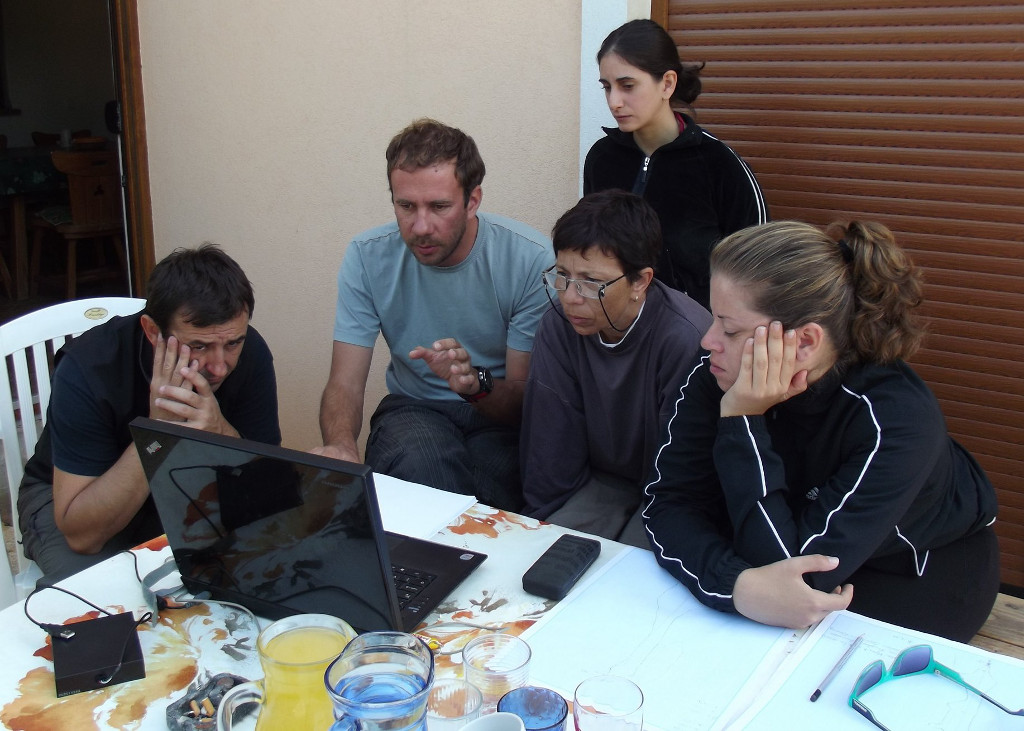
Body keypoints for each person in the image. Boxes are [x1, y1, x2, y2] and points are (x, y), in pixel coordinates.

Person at [643, 220, 1000, 642]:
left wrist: (743, 419)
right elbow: (667, 502)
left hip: (907, 577)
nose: (708, 341)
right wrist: (734, 584)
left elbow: (793, 575)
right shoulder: (719, 371)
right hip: (763, 545)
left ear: (806, 342)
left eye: (730, 328)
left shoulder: (896, 421)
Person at [317, 119, 552, 511]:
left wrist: (474, 384)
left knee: (492, 494)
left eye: (439, 206)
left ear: (473, 200)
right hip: (413, 407)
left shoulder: (529, 259)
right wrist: (341, 447)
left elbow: (523, 401)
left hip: (496, 416)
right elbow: (345, 383)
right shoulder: (367, 255)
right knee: (425, 471)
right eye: (406, 206)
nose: (420, 226)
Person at [18, 244, 281, 577]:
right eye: (199, 346)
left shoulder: (251, 352)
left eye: (232, 343)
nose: (219, 366)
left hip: (181, 488)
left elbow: (269, 498)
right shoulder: (87, 368)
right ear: (153, 332)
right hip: (74, 501)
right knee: (99, 593)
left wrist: (221, 434)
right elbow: (82, 536)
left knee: (270, 564)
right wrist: (158, 433)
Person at [520, 191, 710, 547]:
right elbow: (550, 444)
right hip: (595, 485)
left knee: (639, 564)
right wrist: (543, 525)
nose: (570, 297)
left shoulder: (685, 338)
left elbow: (684, 468)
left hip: (668, 494)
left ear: (640, 281)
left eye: (590, 283)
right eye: (562, 276)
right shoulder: (559, 325)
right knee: (548, 551)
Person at [584, 19, 768, 310]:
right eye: (607, 87)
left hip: (699, 329)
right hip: (618, 323)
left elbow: (758, 267)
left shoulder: (720, 165)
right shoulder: (601, 159)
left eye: (627, 86)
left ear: (667, 84)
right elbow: (593, 248)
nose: (614, 101)